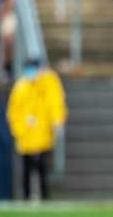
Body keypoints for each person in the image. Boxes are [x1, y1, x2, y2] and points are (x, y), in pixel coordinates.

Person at [6, 58, 67, 201]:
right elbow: (13, 112)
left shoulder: (49, 83)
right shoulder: (20, 87)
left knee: (42, 169)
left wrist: (57, 122)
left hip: (43, 134)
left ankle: (44, 197)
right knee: (27, 170)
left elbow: (55, 103)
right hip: (26, 136)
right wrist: (20, 129)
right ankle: (27, 197)